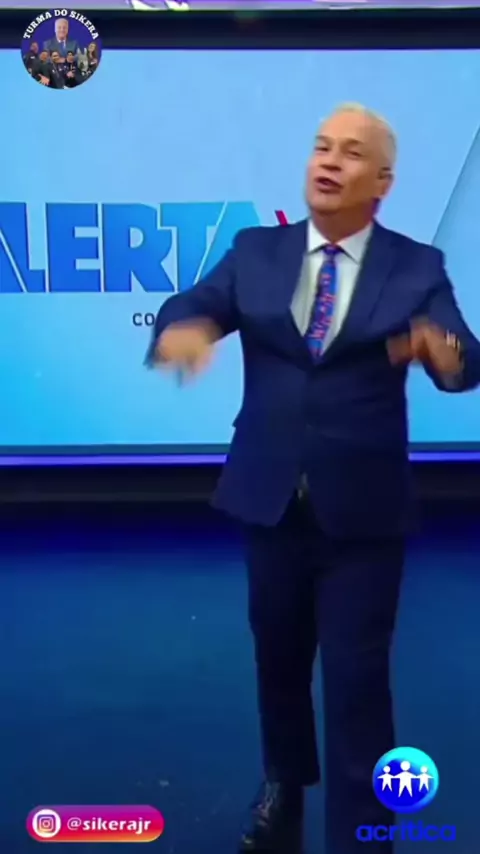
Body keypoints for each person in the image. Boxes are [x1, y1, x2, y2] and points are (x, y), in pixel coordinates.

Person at [145, 104, 480, 854]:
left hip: (364, 512)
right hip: (269, 500)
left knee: (359, 681)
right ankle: (284, 785)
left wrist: (445, 351)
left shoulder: (416, 267)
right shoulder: (257, 251)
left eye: (351, 152)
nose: (329, 161)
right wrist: (183, 328)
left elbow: (464, 356)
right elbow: (196, 302)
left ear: (382, 181)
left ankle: (364, 831)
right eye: (322, 147)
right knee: (279, 661)